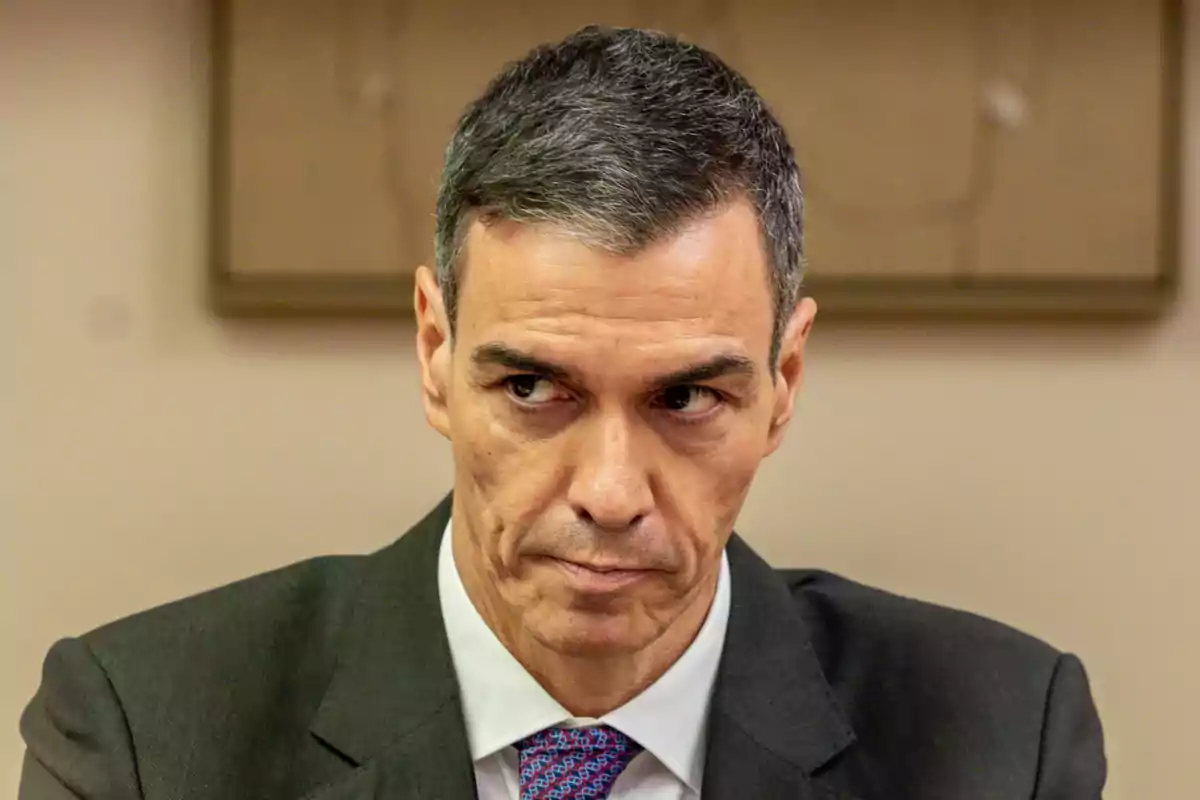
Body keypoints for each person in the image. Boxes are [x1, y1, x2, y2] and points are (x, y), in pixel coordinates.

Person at [19, 25, 1106, 800]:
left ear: (784, 382)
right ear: (436, 352)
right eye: (535, 389)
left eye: (688, 397)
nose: (611, 492)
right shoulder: (147, 733)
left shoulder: (1001, 738)